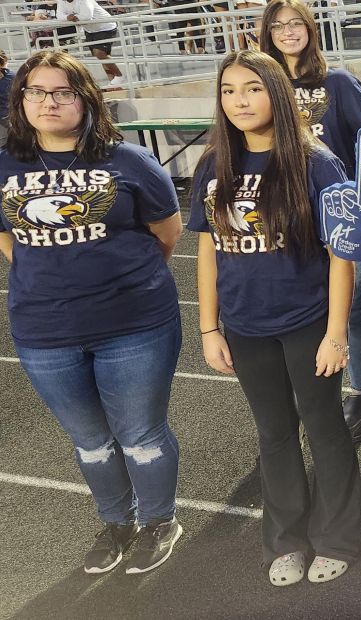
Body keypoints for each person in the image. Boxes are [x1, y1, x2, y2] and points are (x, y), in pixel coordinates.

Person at [0, 48, 183, 575]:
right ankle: (116, 523)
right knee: (90, 441)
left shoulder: (128, 161)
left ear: (85, 98)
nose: (49, 102)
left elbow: (166, 233)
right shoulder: (5, 164)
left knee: (140, 435)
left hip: (134, 325)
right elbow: (8, 237)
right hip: (43, 330)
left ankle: (158, 521)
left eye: (62, 92)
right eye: (37, 91)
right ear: (21, 100)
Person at [190, 49, 361, 587]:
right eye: (229, 91)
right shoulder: (212, 164)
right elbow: (207, 251)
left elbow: (343, 254)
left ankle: (337, 536)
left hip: (308, 322)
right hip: (245, 326)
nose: (239, 101)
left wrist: (336, 334)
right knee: (273, 435)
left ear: (278, 94)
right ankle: (285, 540)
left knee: (325, 429)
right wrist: (209, 327)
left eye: (253, 88)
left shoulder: (316, 162)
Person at [259, 0, 361, 447]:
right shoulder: (263, 82)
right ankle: (308, 392)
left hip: (334, 216)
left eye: (295, 23)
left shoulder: (335, 81)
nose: (287, 32)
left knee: (352, 306)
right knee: (298, 305)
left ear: (310, 28)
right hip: (282, 216)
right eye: (277, 25)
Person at [56, 0, 125, 87]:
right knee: (102, 56)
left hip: (105, 26)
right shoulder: (61, 2)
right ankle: (114, 84)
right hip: (90, 29)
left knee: (100, 53)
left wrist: (72, 17)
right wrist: (68, 18)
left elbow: (87, 16)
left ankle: (119, 76)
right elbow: (59, 16)